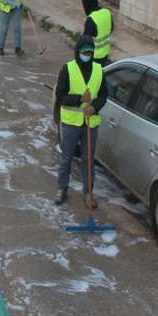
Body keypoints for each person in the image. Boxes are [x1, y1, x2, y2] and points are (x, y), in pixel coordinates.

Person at [53, 36, 109, 207]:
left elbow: (103, 95)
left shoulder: (99, 70)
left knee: (88, 159)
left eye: (90, 52)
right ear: (78, 52)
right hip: (71, 123)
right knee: (67, 157)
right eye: (84, 52)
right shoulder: (68, 69)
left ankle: (88, 193)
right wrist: (79, 99)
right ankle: (62, 188)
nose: (87, 55)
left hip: (90, 123)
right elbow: (60, 96)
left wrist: (95, 107)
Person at [81, 0, 113, 66]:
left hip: (94, 58)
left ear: (87, 4)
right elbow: (111, 29)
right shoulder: (107, 12)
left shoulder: (91, 19)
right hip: (105, 55)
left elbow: (86, 43)